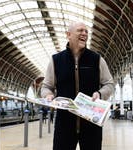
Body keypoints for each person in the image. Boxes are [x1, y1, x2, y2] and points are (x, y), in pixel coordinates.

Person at [41, 22, 114, 150]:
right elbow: (46, 86)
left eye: (86, 31)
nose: (84, 34)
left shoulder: (97, 59)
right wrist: (48, 95)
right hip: (64, 125)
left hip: (91, 125)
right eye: (80, 30)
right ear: (68, 35)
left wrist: (100, 94)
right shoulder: (56, 60)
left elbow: (109, 84)